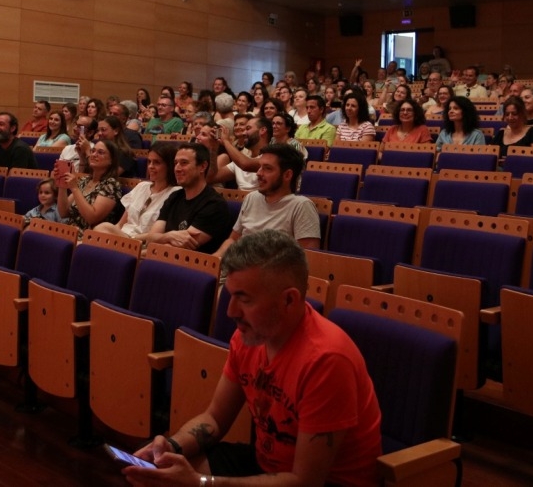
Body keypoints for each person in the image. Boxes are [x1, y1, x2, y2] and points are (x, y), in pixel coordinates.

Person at [126, 230, 382, 487]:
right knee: (156, 473)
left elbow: (305, 481)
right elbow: (214, 419)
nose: (230, 311)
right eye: (230, 296)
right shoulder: (249, 336)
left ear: (289, 300)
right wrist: (171, 446)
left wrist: (202, 483)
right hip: (269, 466)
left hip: (325, 482)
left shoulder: (326, 360)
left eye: (244, 299)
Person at [213, 144, 321, 259]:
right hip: (237, 266)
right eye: (260, 167)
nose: (259, 173)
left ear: (287, 175)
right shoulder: (252, 198)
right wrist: (213, 262)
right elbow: (233, 240)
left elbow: (307, 259)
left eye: (267, 168)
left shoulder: (301, 206)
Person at [140, 143, 232, 254]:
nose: (177, 168)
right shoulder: (175, 196)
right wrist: (169, 236)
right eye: (175, 163)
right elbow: (151, 239)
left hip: (190, 267)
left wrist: (159, 239)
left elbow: (175, 250)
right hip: (161, 260)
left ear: (202, 166)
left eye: (184, 163)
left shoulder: (214, 204)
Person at [95, 142, 180, 239]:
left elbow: (157, 235)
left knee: (104, 227)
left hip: (141, 243)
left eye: (157, 162)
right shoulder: (141, 186)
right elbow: (120, 225)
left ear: (169, 166)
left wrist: (130, 239)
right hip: (121, 237)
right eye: (149, 162)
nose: (150, 166)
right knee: (99, 232)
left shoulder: (174, 193)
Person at [55, 139, 123, 231]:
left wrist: (74, 188)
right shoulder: (85, 180)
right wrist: (62, 184)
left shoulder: (111, 184)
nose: (94, 155)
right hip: (70, 230)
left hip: (89, 236)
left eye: (100, 152)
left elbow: (91, 218)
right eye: (93, 151)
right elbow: (63, 212)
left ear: (111, 160)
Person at [206, 116, 272, 191]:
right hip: (240, 201)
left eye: (248, 128)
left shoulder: (271, 157)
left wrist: (226, 141)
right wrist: (213, 149)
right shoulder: (241, 157)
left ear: (262, 130)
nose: (244, 133)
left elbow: (245, 165)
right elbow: (211, 178)